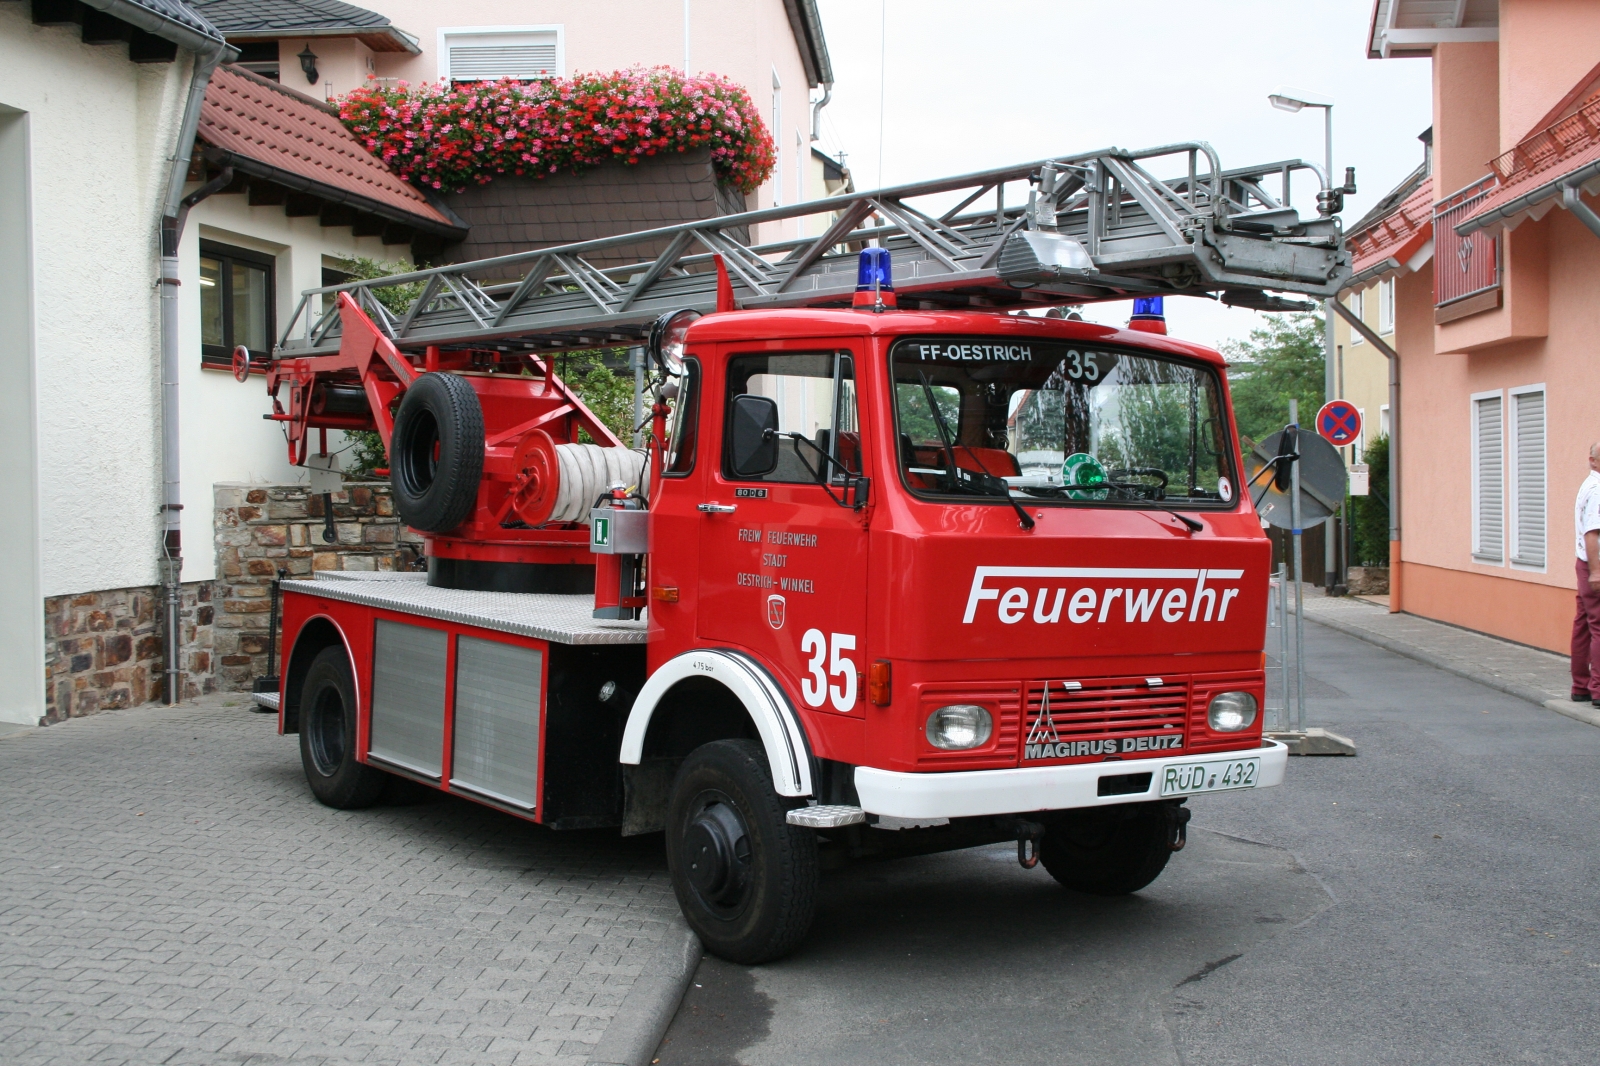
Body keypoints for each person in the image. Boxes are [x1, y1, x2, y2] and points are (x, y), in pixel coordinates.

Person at [1572, 442, 1600, 704]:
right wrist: (1596, 572)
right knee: (1599, 627)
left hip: (1584, 564)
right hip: (1595, 565)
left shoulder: (1587, 485)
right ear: (1593, 460)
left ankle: (1580, 686)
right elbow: (1592, 533)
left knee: (1583, 625)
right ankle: (1599, 690)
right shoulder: (1598, 489)